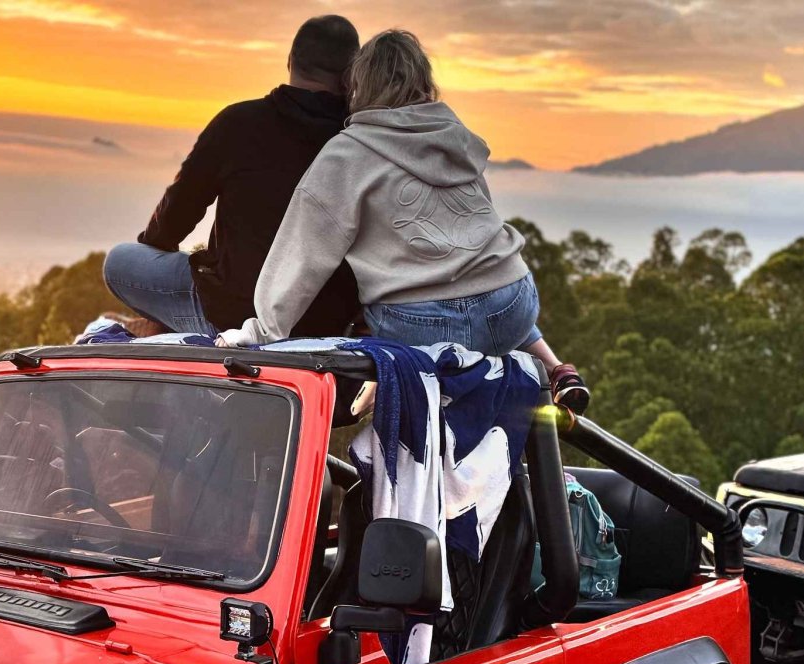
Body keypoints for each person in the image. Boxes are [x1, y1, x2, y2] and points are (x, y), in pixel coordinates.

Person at [219, 29, 590, 413]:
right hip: (513, 306)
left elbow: (304, 249)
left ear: (361, 85)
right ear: (423, 80)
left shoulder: (348, 153)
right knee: (484, 279)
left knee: (382, 305)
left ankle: (384, 381)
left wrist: (262, 332)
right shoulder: (455, 137)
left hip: (425, 327)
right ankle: (556, 368)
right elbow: (480, 235)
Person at [102, 15, 361, 339]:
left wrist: (159, 249)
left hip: (229, 312)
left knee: (119, 262)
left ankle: (185, 327)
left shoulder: (238, 123)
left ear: (290, 61)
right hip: (325, 321)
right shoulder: (359, 139)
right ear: (353, 75)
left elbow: (177, 212)